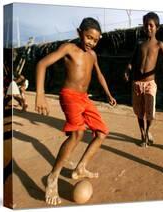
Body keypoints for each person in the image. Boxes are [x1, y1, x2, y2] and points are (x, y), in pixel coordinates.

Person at [35, 17, 117, 205]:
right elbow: (41, 64)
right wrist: (40, 93)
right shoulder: (68, 49)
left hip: (84, 98)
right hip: (69, 95)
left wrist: (108, 94)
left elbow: (99, 75)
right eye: (88, 37)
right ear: (79, 32)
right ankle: (53, 176)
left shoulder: (93, 55)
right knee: (77, 134)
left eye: (95, 40)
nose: (91, 43)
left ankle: (81, 167)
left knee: (102, 132)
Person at [124, 12, 163, 147]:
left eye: (151, 25)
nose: (148, 28)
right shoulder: (139, 43)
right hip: (136, 82)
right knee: (139, 112)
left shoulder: (159, 44)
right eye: (146, 25)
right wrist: (127, 69)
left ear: (157, 27)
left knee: (150, 112)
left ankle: (148, 131)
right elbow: (131, 60)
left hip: (150, 84)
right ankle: (142, 135)